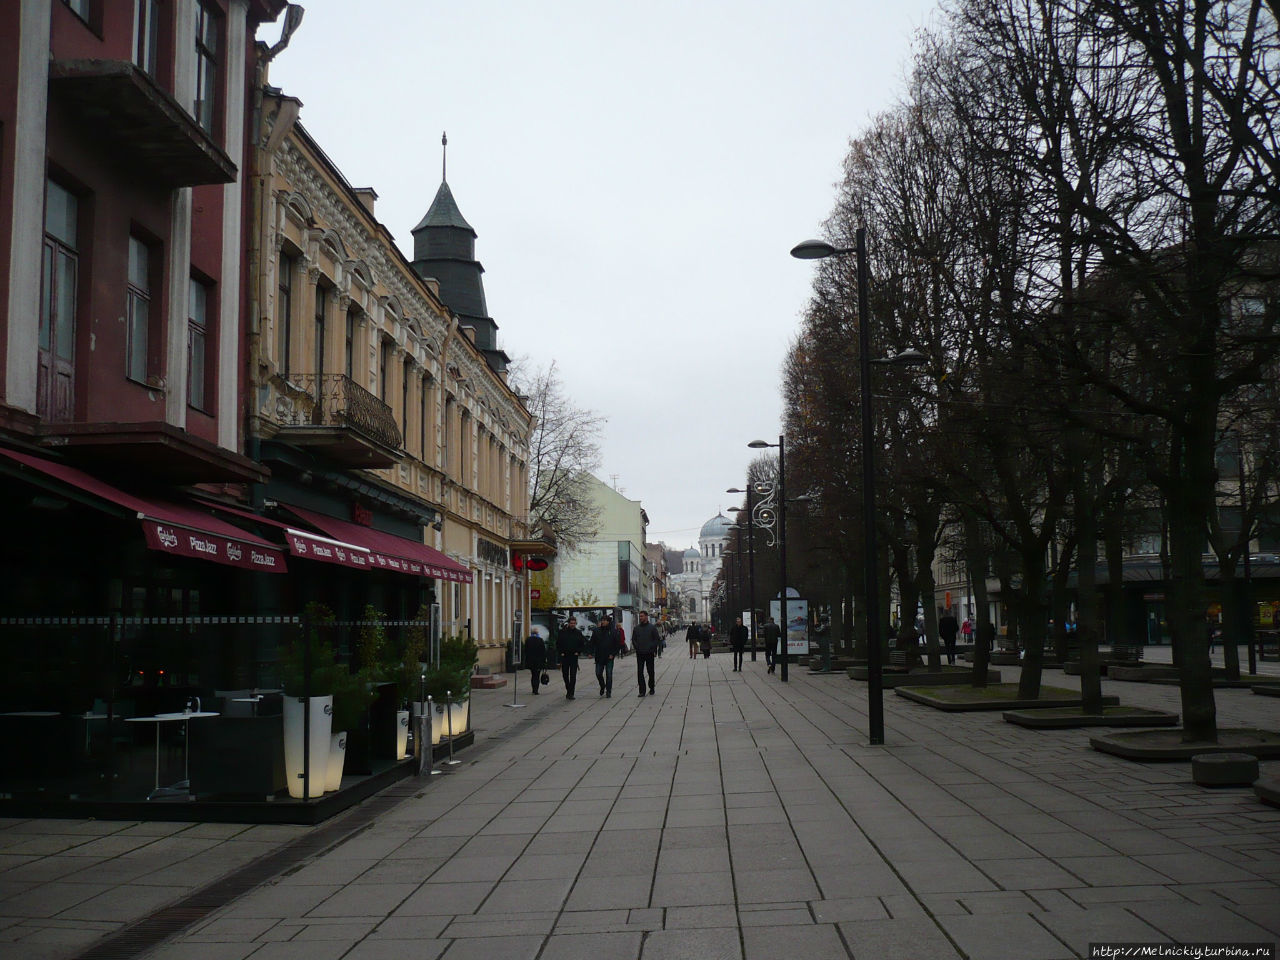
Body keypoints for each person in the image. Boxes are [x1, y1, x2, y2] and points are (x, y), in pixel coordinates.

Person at [632, 610, 662, 697]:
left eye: (642, 616)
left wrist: (652, 648)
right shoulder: (636, 628)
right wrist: (637, 647)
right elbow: (634, 639)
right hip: (640, 653)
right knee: (640, 672)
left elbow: (656, 639)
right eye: (640, 616)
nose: (640, 618)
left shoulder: (652, 628)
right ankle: (642, 690)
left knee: (650, 671)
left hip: (649, 653)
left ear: (646, 617)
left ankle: (651, 687)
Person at [556, 616, 585, 700]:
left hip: (573, 656)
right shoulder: (562, 632)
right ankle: (568, 688)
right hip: (565, 656)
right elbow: (558, 643)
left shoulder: (578, 633)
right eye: (571, 623)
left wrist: (578, 652)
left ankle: (571, 693)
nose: (572, 625)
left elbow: (582, 644)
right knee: (565, 674)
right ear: (568, 623)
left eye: (574, 623)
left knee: (573, 675)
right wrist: (561, 652)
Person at [592, 615, 619, 698]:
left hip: (609, 657)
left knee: (609, 674)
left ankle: (608, 691)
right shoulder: (596, 631)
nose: (603, 622)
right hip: (599, 656)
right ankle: (602, 685)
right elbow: (592, 642)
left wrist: (613, 654)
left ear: (608, 622)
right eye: (602, 620)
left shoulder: (613, 631)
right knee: (598, 673)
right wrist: (590, 652)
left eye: (605, 620)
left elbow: (617, 644)